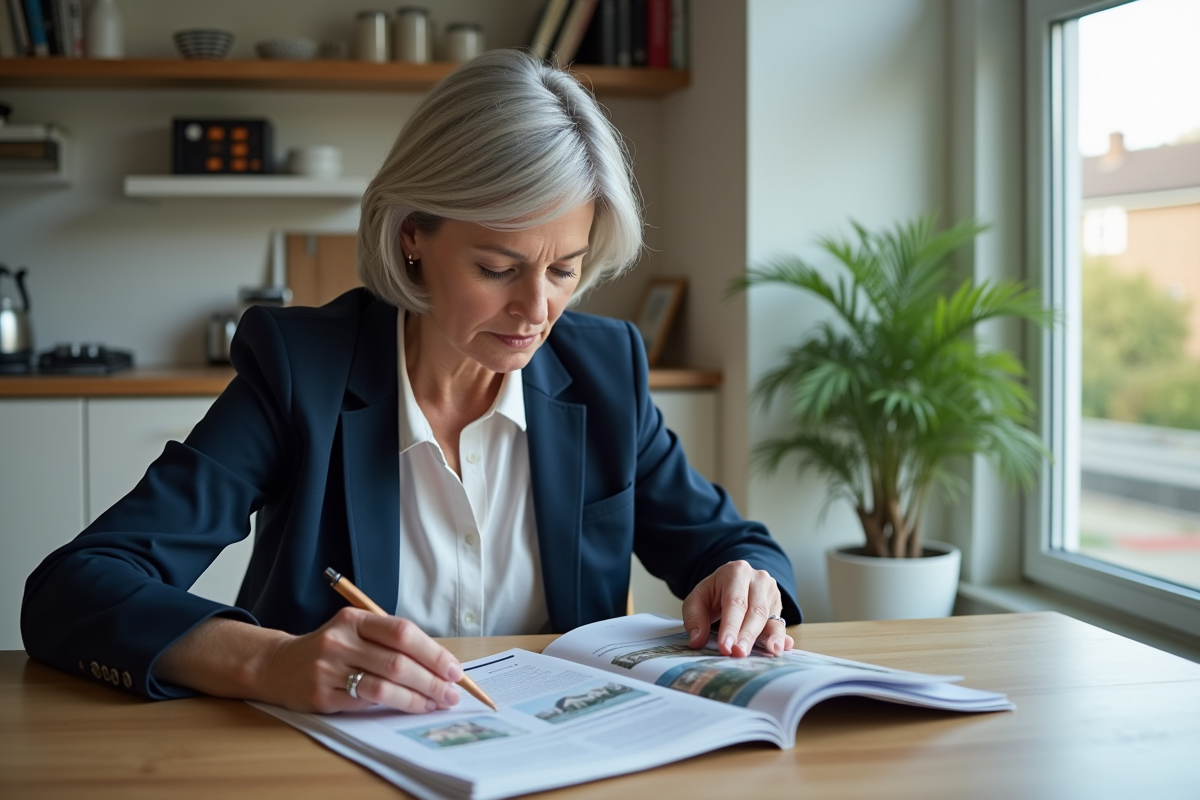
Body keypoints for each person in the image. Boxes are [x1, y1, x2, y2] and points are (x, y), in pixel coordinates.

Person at [21, 50, 801, 715]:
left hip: (559, 758)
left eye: (566, 269)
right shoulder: (303, 371)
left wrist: (746, 581)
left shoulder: (604, 372)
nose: (537, 310)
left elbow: (735, 546)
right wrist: (266, 663)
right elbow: (74, 589)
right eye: (498, 268)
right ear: (414, 236)